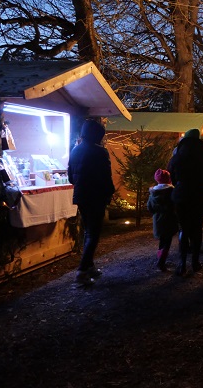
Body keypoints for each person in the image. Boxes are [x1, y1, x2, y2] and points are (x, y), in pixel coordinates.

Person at [68, 119, 116, 286]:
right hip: (96, 196)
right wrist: (110, 192)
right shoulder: (100, 152)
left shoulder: (75, 150)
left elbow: (70, 177)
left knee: (89, 231)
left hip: (81, 196)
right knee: (93, 234)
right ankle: (82, 271)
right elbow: (105, 177)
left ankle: (89, 267)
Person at [168, 128, 203, 276]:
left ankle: (182, 263)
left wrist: (181, 185)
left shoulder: (178, 155)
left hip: (182, 195)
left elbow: (172, 174)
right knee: (196, 228)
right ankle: (195, 262)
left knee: (184, 228)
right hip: (199, 196)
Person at [147, 168, 179, 271]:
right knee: (167, 242)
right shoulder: (171, 191)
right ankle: (161, 262)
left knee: (162, 241)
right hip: (169, 220)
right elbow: (175, 205)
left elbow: (150, 207)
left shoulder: (153, 193)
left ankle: (161, 258)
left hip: (158, 221)